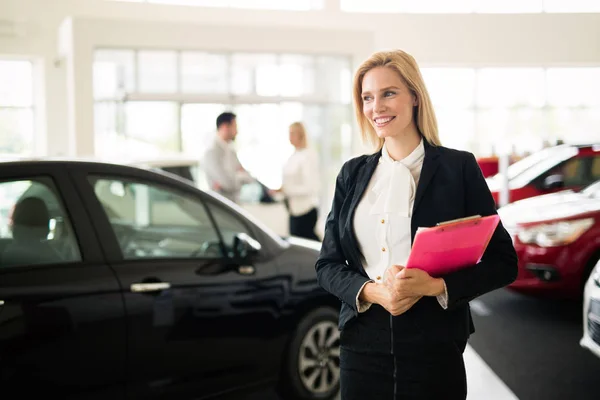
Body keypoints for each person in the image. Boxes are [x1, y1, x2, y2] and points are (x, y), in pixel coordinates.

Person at [315, 49, 518, 400]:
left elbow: (503, 263)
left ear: (414, 96)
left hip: (435, 345)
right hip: (362, 344)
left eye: (388, 93)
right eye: (367, 97)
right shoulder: (352, 174)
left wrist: (434, 286)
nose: (376, 107)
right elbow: (327, 265)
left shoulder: (459, 168)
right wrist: (374, 292)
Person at [280, 122, 320, 240]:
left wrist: (286, 190)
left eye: (292, 133)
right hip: (294, 210)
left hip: (305, 210)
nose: (290, 137)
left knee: (307, 248)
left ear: (301, 135)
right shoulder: (293, 155)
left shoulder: (307, 156)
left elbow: (310, 187)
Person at [203, 112, 253, 203]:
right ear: (225, 126)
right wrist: (239, 176)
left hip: (234, 204)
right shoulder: (212, 152)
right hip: (220, 207)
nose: (237, 132)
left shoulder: (231, 150)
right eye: (235, 127)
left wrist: (234, 177)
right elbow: (228, 184)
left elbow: (249, 179)